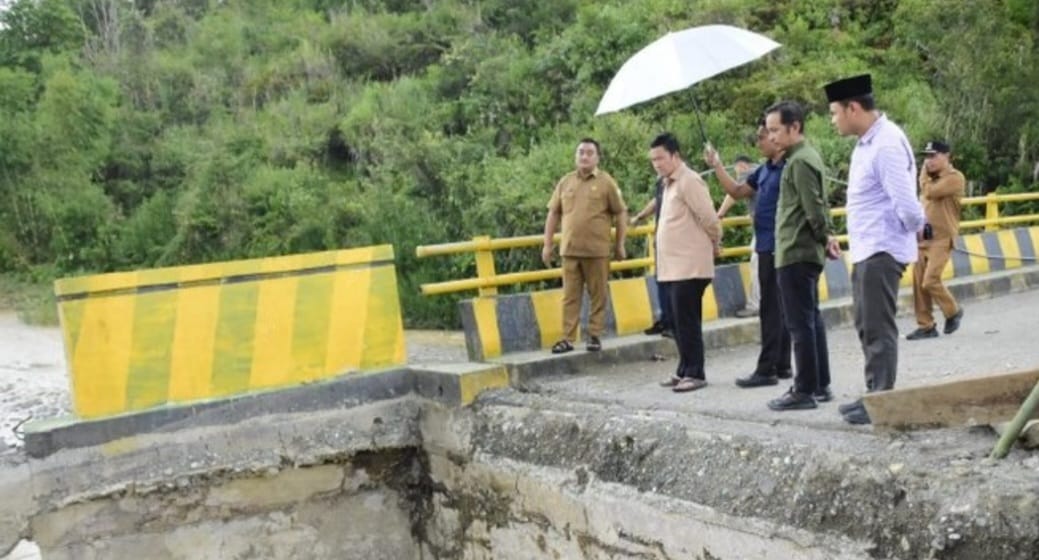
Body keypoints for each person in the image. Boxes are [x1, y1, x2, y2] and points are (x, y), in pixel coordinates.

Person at [825, 74, 926, 425]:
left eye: (835, 112)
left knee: (878, 327)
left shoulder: (885, 144)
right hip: (869, 247)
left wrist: (917, 229)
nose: (833, 120)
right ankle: (874, 394)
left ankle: (882, 401)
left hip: (882, 249)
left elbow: (908, 204)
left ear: (854, 108)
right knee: (867, 324)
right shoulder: (868, 142)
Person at [763, 101, 841, 411]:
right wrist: (827, 235)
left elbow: (813, 209)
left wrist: (825, 236)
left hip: (796, 251)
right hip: (802, 250)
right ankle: (819, 383)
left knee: (799, 324)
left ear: (794, 127)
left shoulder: (799, 162)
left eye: (775, 130)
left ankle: (804, 389)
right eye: (768, 131)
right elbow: (820, 205)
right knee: (810, 320)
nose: (771, 137)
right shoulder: (802, 158)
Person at [705, 120, 793, 389]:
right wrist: (717, 165)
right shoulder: (764, 170)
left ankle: (769, 368)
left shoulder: (791, 168)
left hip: (783, 245)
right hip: (766, 244)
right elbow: (736, 191)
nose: (758, 142)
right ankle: (781, 364)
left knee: (776, 309)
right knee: (772, 307)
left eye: (762, 136)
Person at [649, 133, 721, 393]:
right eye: (653, 160)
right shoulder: (666, 184)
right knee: (676, 322)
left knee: (688, 321)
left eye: (661, 158)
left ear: (675, 156)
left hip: (689, 266)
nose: (656, 164)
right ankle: (683, 369)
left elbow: (709, 218)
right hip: (671, 267)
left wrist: (715, 242)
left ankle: (695, 372)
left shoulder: (689, 181)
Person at [542, 138, 628, 354]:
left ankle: (595, 335)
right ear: (575, 156)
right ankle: (567, 338)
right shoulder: (566, 182)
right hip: (570, 250)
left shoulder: (607, 182)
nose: (584, 156)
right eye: (581, 152)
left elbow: (620, 212)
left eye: (590, 152)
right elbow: (553, 213)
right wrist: (547, 244)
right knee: (570, 296)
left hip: (597, 251)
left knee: (598, 294)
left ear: (597, 157)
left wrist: (620, 244)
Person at [906, 140, 965, 340]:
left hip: (942, 238)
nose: (928, 161)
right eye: (926, 157)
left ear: (946, 156)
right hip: (924, 237)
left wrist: (922, 175)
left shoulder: (954, 178)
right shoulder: (930, 180)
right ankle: (926, 325)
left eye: (933, 156)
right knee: (918, 283)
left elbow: (930, 193)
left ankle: (953, 311)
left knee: (930, 280)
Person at [717, 154, 761, 318]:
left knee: (757, 268)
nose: (737, 177)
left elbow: (734, 193)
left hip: (764, 232)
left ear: (742, 166)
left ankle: (755, 305)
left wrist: (719, 214)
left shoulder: (750, 174)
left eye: (737, 173)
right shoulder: (764, 170)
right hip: (772, 230)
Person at [630, 176, 674, 338]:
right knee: (661, 281)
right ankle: (665, 320)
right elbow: (657, 202)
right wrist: (639, 217)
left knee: (673, 283)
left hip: (676, 240)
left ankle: (674, 323)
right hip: (661, 239)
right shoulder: (661, 181)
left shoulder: (681, 180)